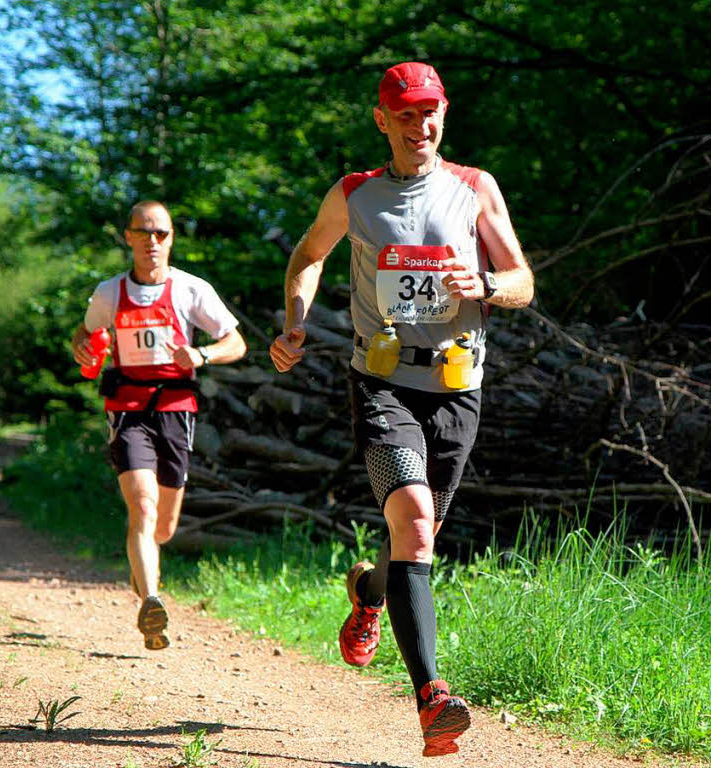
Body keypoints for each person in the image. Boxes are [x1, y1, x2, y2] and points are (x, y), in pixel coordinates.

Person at [269, 62, 534, 756]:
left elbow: (523, 280)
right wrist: (296, 320)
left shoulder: (475, 189)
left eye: (431, 112)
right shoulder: (356, 194)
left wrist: (488, 282)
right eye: (406, 114)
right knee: (414, 523)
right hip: (382, 382)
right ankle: (432, 700)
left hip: (457, 386)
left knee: (417, 536)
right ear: (382, 120)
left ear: (445, 113)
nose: (421, 126)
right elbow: (307, 255)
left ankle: (370, 593)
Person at [72, 200, 246, 651]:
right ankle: (151, 600)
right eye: (143, 232)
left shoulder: (191, 289)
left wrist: (203, 355)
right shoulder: (110, 292)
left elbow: (236, 341)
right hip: (127, 405)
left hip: (175, 408)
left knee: (163, 527)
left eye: (161, 234)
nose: (152, 241)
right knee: (142, 507)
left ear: (171, 239)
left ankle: (143, 567)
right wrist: (86, 351)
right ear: (127, 236)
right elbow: (84, 334)